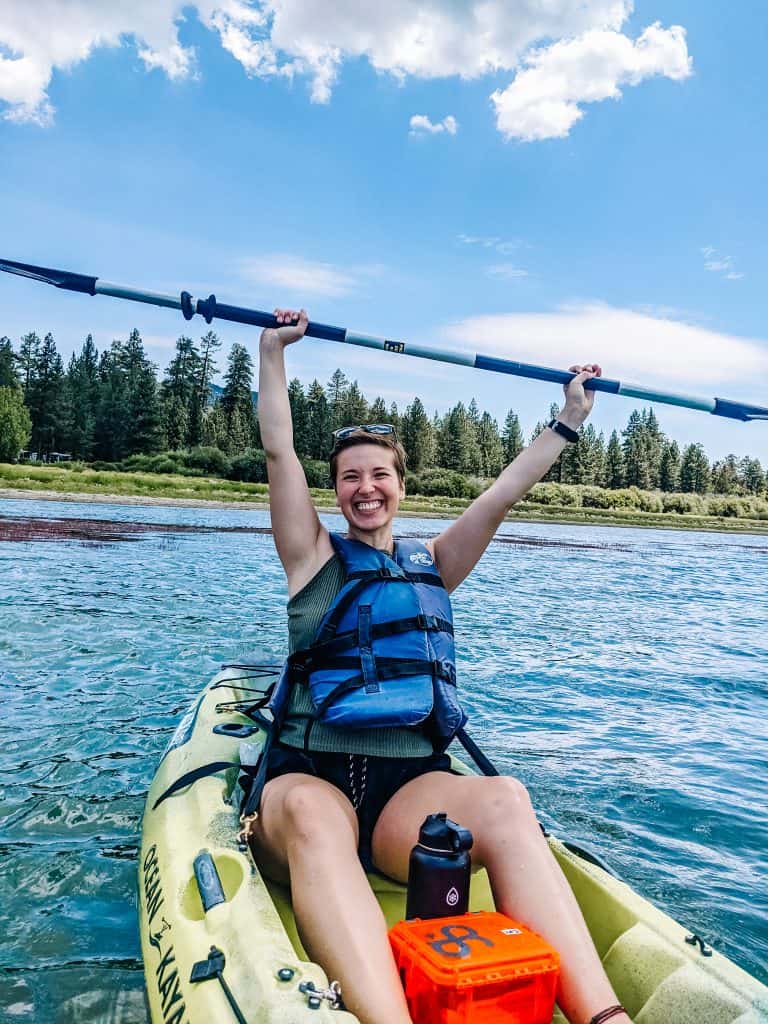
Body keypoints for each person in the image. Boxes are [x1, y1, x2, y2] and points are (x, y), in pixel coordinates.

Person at [250, 307, 631, 1024]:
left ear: (400, 483)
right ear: (333, 490)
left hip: (404, 800)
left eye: (380, 474)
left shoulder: (434, 564)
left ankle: (606, 1018)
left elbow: (503, 493)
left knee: (507, 798)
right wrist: (272, 353)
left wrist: (569, 418)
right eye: (350, 477)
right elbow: (279, 453)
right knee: (310, 812)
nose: (366, 488)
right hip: (310, 778)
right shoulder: (311, 557)